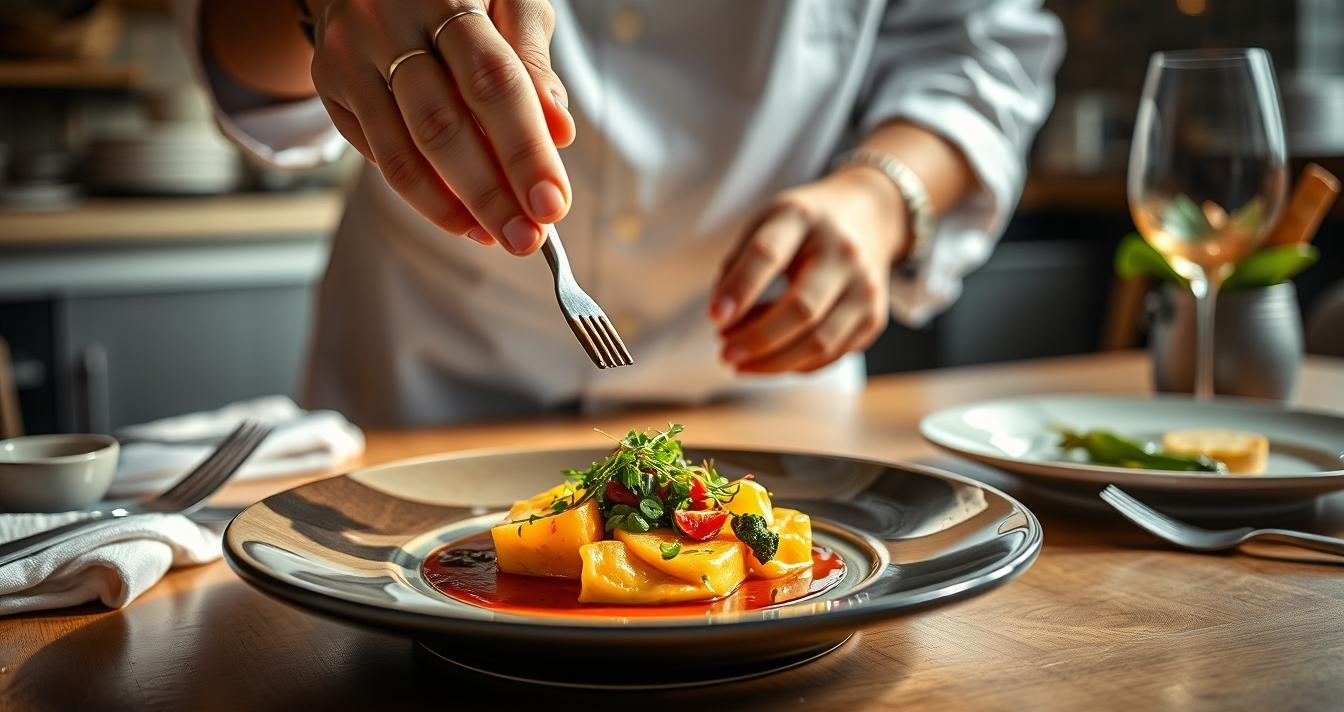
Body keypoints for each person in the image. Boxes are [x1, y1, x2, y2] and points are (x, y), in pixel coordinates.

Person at [181, 0, 1062, 426]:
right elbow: (229, 42)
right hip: (419, 404)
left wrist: (879, 196)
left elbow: (980, 46)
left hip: (770, 411)